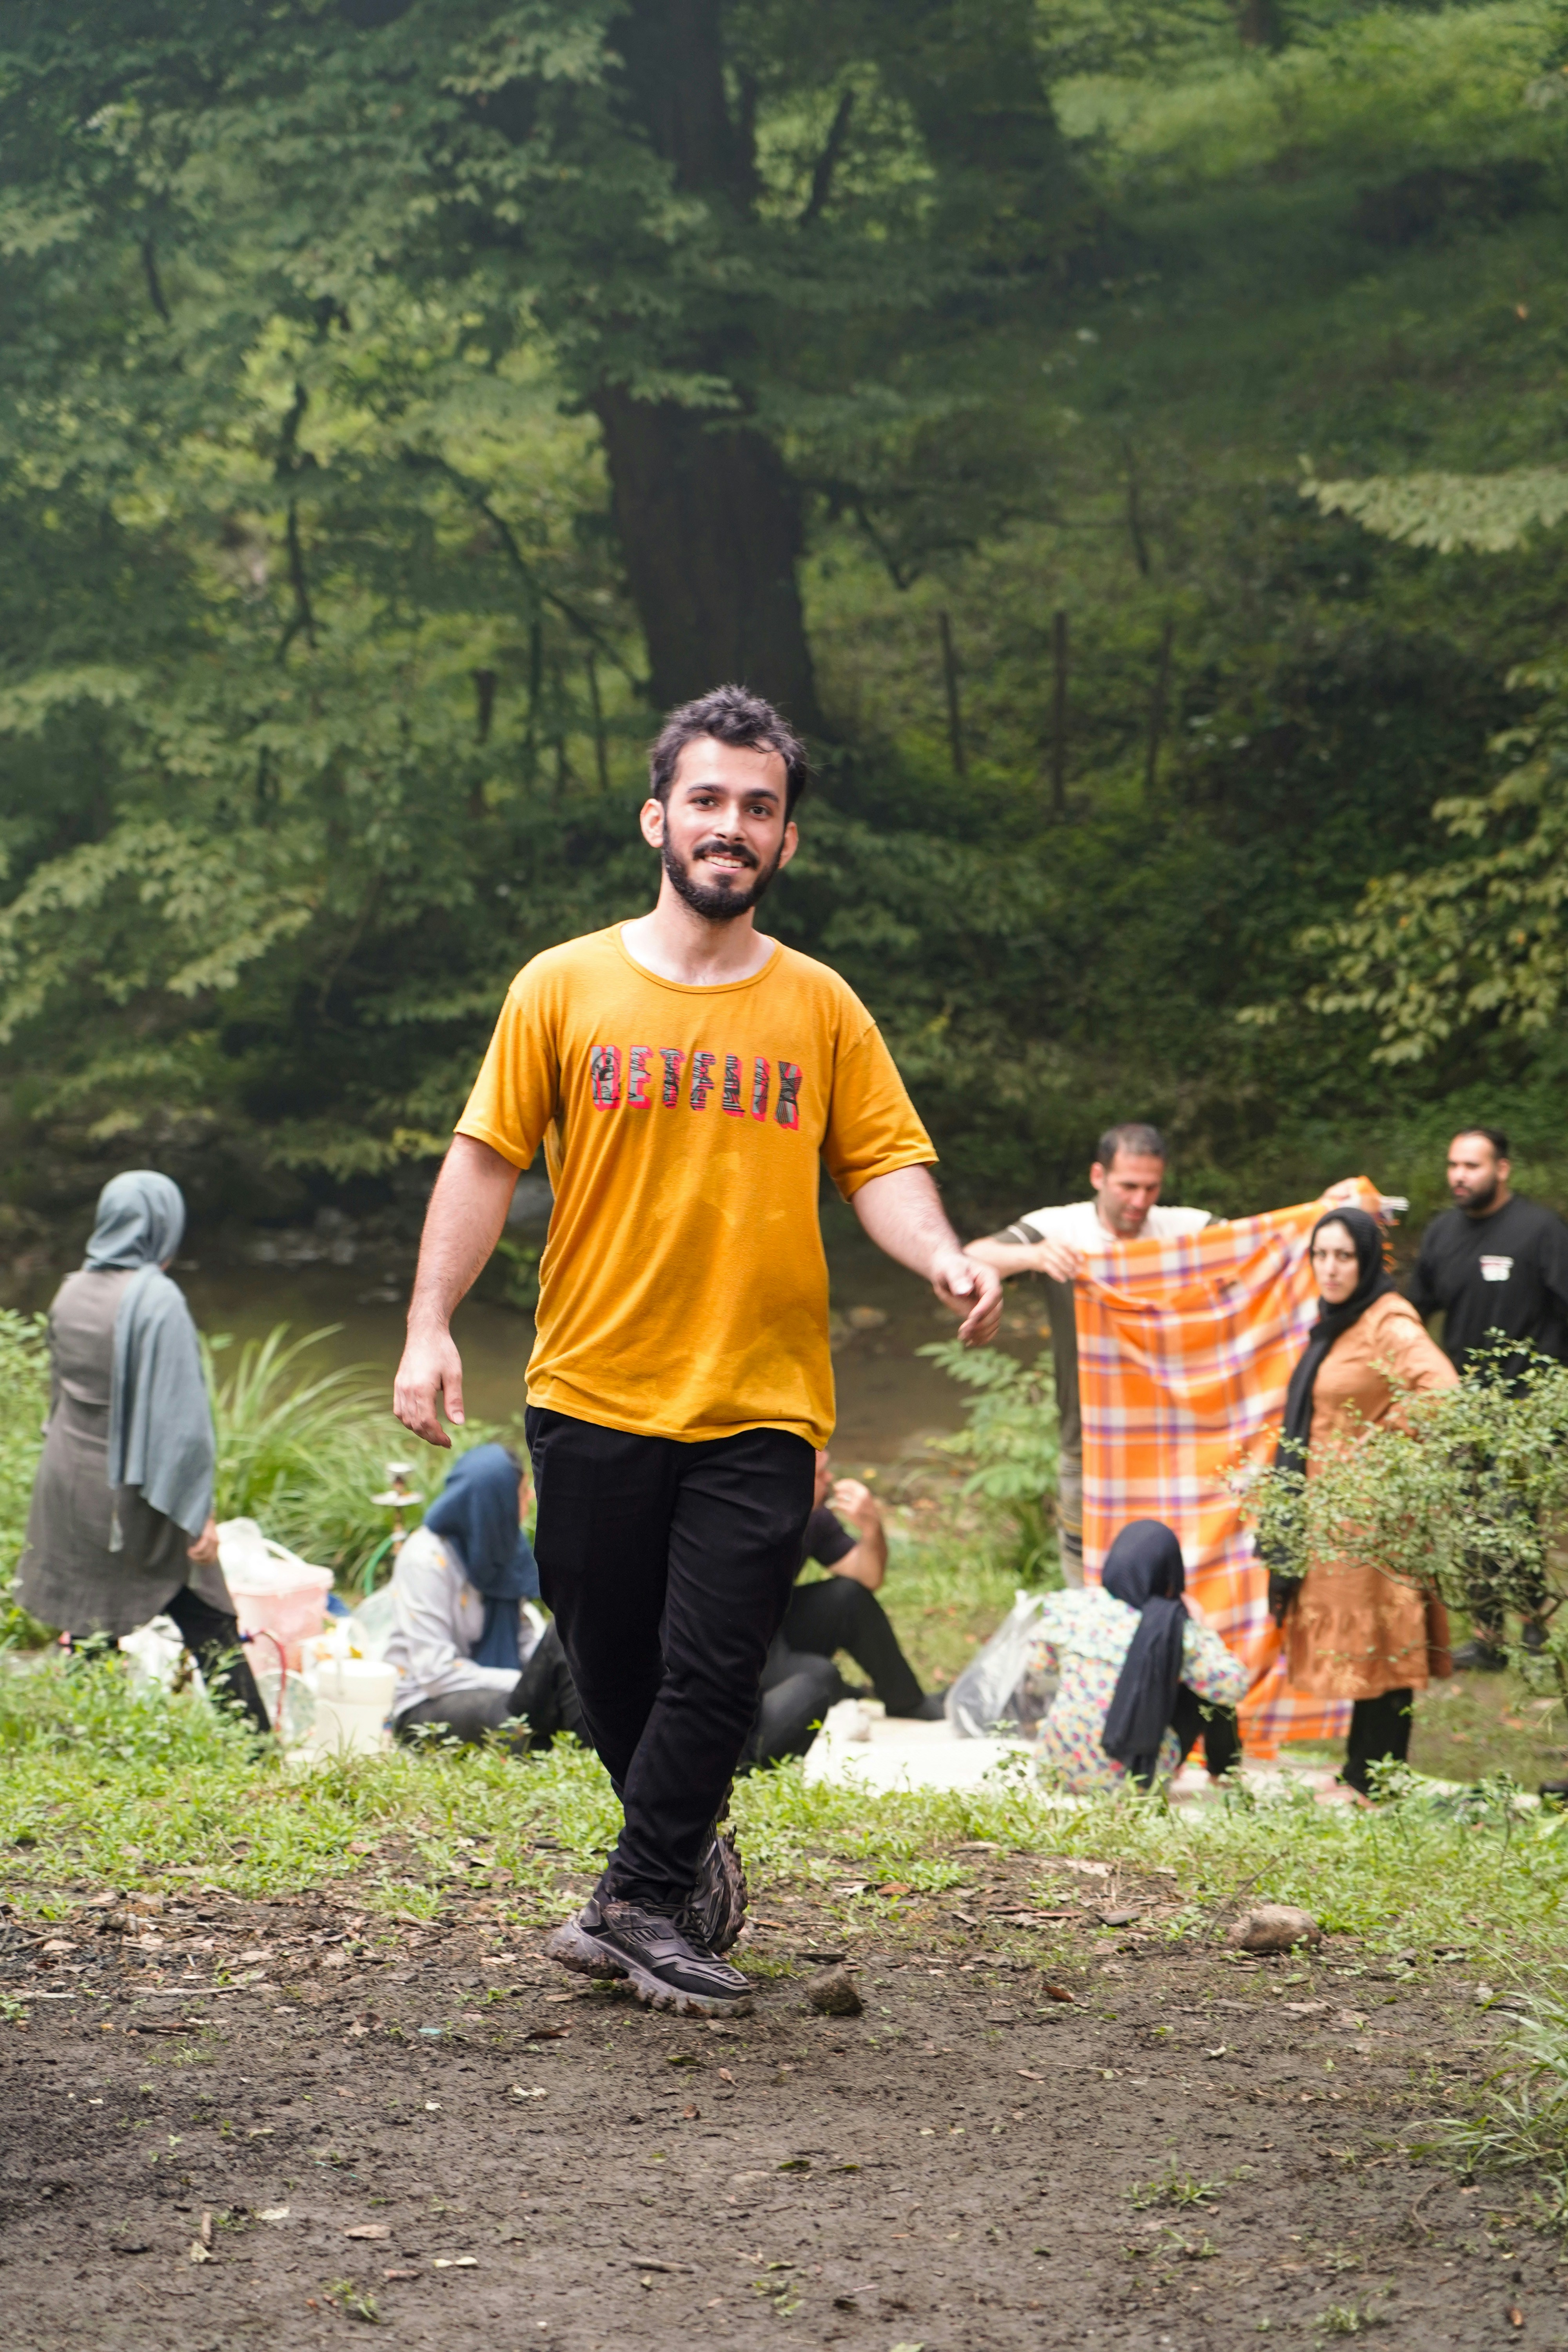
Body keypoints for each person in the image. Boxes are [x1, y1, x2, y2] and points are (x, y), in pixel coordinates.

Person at [393, 682, 1003, 2017]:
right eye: (711, 800)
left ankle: (637, 1894)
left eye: (761, 808)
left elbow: (886, 1163)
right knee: (607, 1657)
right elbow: (485, 1159)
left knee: (722, 1662)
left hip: (761, 1401)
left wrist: (941, 1252)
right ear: (658, 818)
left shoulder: (823, 1008)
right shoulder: (563, 986)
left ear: (785, 842)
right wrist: (432, 1326)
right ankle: (679, 1863)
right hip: (592, 1386)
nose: (733, 826)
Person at [16, 1170, 269, 1733]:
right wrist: (197, 1511)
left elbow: (58, 1395)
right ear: (163, 1227)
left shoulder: (71, 1289)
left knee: (89, 1616)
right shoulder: (157, 1300)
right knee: (209, 1612)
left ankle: (88, 1740)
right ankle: (253, 1747)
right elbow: (181, 1425)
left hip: (69, 1480)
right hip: (136, 1490)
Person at [966, 1124, 1211, 1584]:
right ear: (1098, 1176)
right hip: (1086, 1440)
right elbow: (970, 1257)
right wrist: (1035, 1257)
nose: (1140, 1202)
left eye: (1151, 1188)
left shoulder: (1181, 1228)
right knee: (1087, 1573)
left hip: (1173, 1440)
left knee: (1176, 1572)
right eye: (1128, 1187)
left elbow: (1267, 1242)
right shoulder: (1061, 1226)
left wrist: (1328, 1212)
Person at [1272, 1207, 1458, 1795]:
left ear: (1368, 1260)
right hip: (1337, 1515)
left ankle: (1380, 1778)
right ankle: (1364, 1771)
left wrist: (1378, 1444)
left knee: (1387, 1645)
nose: (1330, 1268)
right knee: (1368, 1646)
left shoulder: (1387, 1318)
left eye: (1344, 1256)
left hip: (1376, 1516)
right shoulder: (1337, 1322)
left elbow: (1443, 1391)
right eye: (1320, 1255)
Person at [1406, 1127, 1568, 1668]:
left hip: (1527, 1405)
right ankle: (1486, 1639)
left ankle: (1534, 1630)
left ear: (1503, 1169)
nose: (1459, 1175)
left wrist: (1553, 1388)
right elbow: (1412, 1309)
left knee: (1514, 1516)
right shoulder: (1442, 1234)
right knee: (1473, 1521)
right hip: (1464, 1406)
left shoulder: (1540, 1230)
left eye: (1472, 1166)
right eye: (1454, 1165)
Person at [743, 1451, 944, 1765]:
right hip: (736, 1638)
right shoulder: (746, 1516)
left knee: (849, 1596)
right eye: (822, 1474)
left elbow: (869, 1576)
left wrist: (871, 1526)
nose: (830, 1481)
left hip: (774, 1624)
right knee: (821, 1678)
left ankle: (908, 1701)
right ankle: (841, 1693)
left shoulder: (814, 1517)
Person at [387, 1443, 587, 1751]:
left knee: (565, 1634)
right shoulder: (426, 1559)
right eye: (522, 1493)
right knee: (512, 1724)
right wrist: (525, 1683)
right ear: (495, 1502)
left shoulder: (502, 1544)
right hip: (426, 1703)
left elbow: (525, 1643)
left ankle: (596, 1755)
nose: (531, 1498)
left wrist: (548, 1677)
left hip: (500, 1687)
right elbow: (435, 1674)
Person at [1021, 1520, 1246, 1792]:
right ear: (1169, 1572)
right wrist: (1200, 1626)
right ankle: (1223, 1777)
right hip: (1134, 1781)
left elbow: (1039, 1668)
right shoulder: (1174, 1629)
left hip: (1056, 1771)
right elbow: (1233, 1686)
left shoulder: (1072, 1607)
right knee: (1210, 1687)